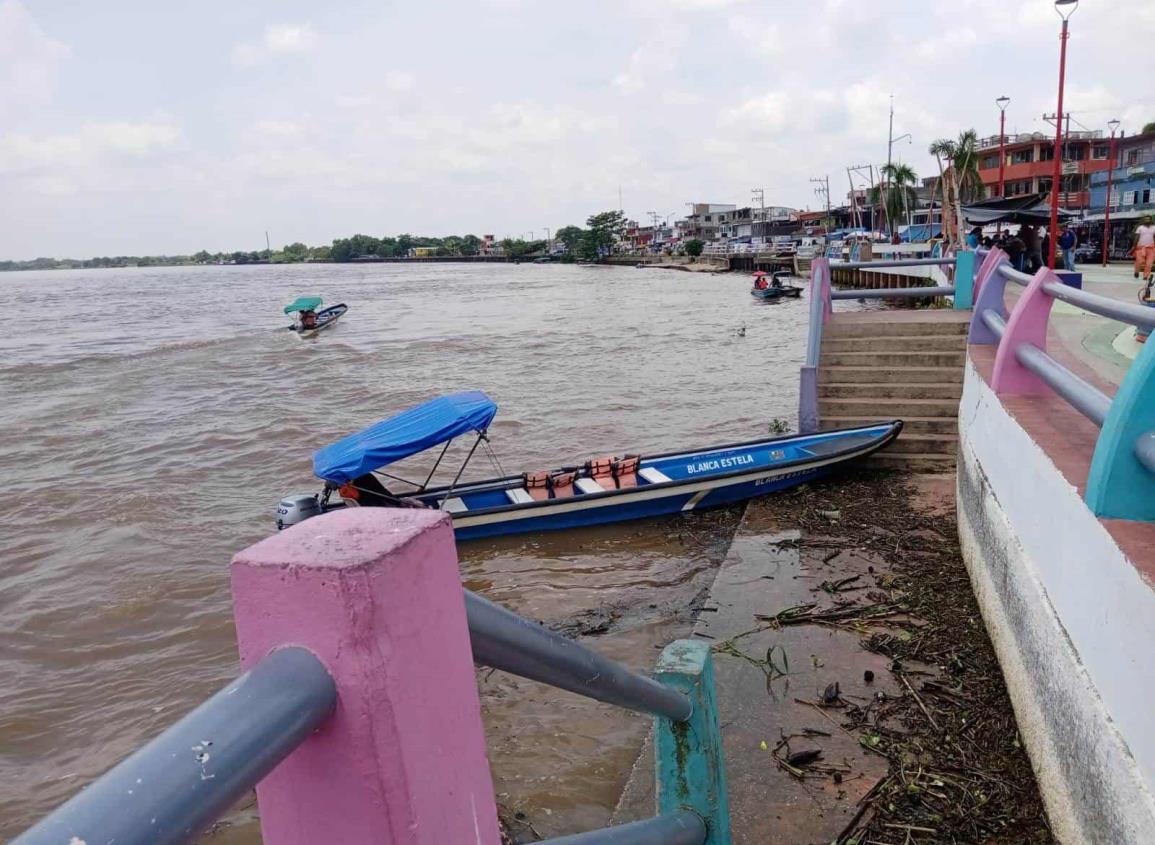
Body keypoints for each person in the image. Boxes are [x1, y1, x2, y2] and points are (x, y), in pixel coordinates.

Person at [1134, 215, 1155, 282]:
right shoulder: (1140, 228)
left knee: (1149, 263)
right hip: (1140, 247)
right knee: (1140, 261)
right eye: (1146, 219)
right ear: (1144, 220)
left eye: (1148, 219)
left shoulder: (1154, 227)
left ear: (1151, 220)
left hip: (1151, 248)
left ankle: (1145, 276)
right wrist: (1134, 246)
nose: (1147, 220)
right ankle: (1136, 271)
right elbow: (1136, 238)